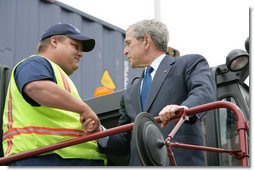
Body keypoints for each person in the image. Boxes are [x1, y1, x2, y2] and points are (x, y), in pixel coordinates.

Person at [105, 20, 216, 166]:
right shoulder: (130, 93)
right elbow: (123, 141)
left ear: (146, 41)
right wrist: (98, 131)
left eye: (128, 43)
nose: (125, 51)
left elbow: (204, 91)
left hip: (177, 162)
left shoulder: (188, 63)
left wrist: (183, 109)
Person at [2, 23, 107, 166]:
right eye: (75, 46)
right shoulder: (35, 63)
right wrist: (84, 109)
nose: (81, 53)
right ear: (54, 41)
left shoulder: (61, 79)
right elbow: (36, 88)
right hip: (43, 159)